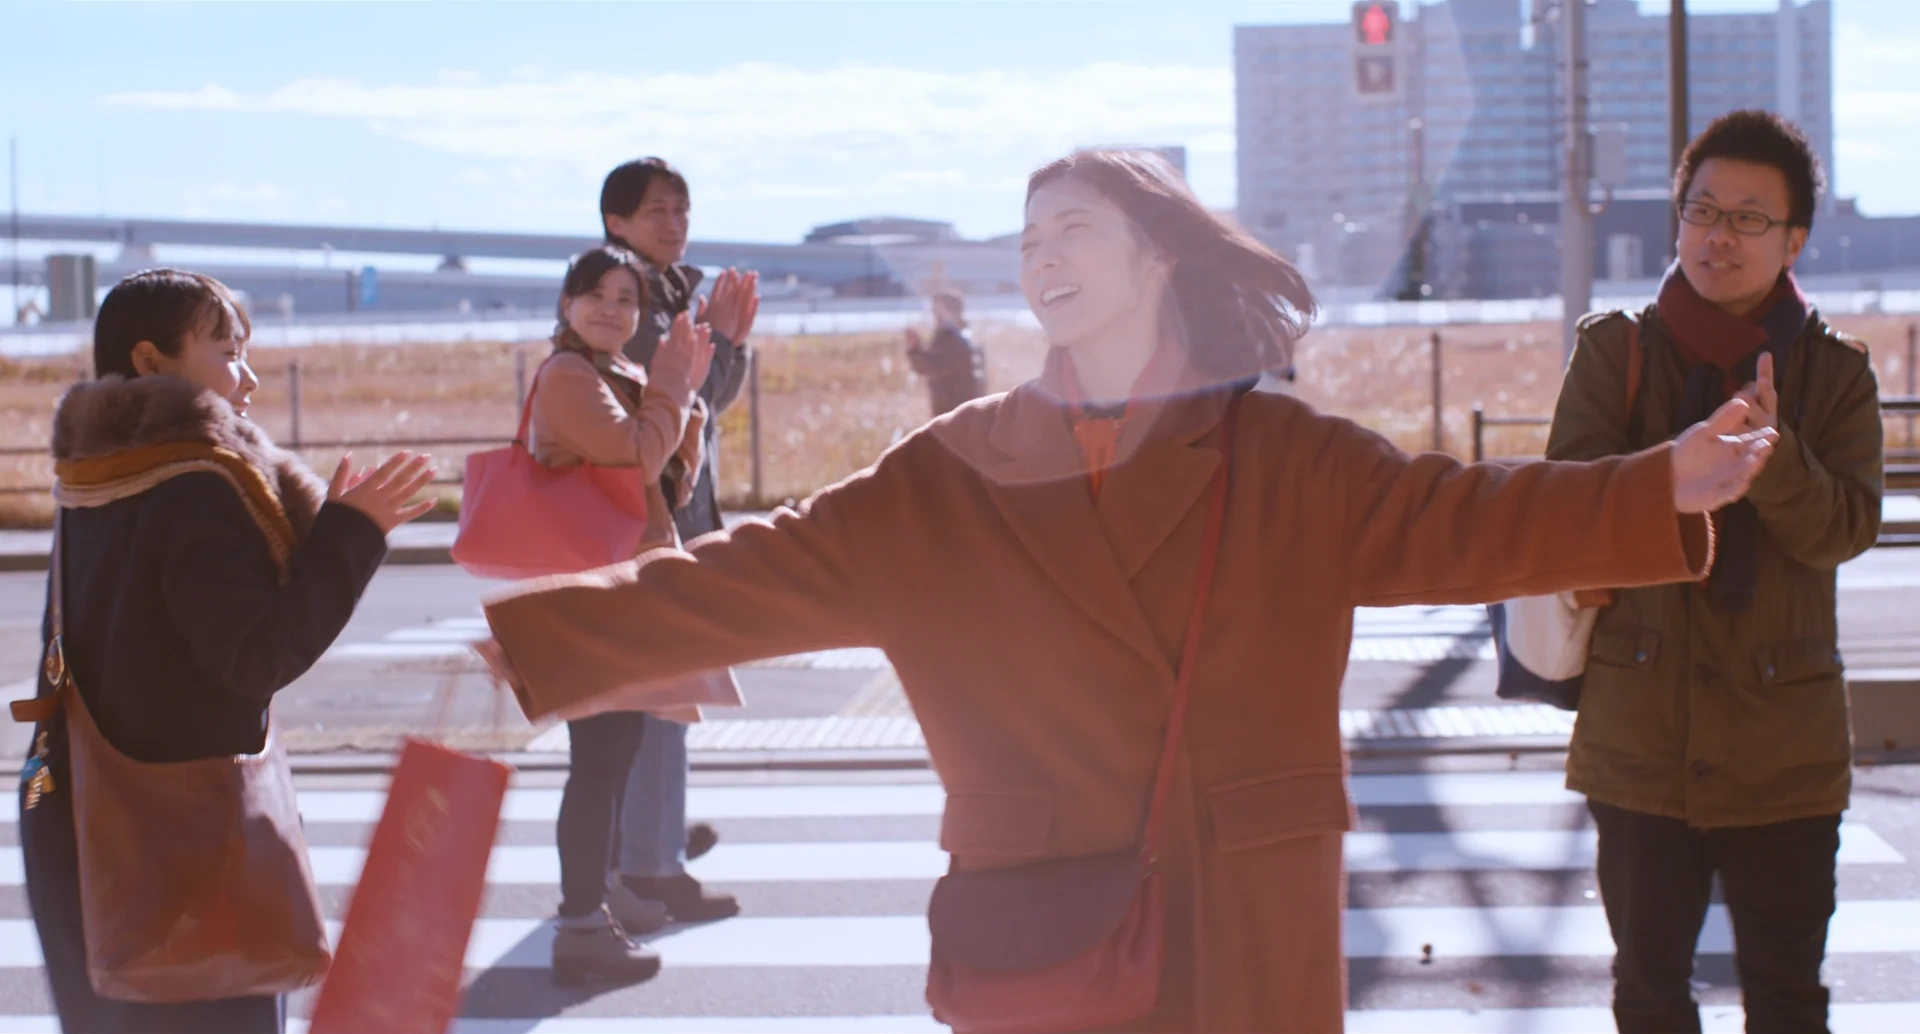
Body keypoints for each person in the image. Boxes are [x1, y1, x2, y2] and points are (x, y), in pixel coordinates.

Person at [477, 149, 1777, 1033]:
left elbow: (1468, 517)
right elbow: (749, 577)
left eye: (1076, 229)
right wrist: (533, 644)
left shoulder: (1279, 455)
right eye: (1029, 237)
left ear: (1158, 258)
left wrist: (1658, 483)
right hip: (1041, 930)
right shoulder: (952, 472)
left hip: (1240, 915)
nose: (1043, 254)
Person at [19, 269, 434, 1034]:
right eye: (228, 352)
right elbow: (257, 656)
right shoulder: (196, 487)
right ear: (151, 361)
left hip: (76, 811)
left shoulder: (92, 477)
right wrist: (350, 535)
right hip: (185, 837)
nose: (248, 378)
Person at [1548, 110, 1884, 1034]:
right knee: (1649, 995)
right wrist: (1677, 474)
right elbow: (1570, 510)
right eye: (1702, 211)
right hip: (1640, 735)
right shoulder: (1616, 351)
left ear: (1793, 240)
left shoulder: (1836, 374)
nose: (1717, 237)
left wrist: (1775, 459)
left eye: (1747, 218)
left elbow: (1846, 528)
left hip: (1786, 746)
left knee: (1787, 999)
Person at [526, 245, 714, 986]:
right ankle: (579, 925)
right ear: (566, 304)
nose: (612, 309)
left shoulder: (619, 374)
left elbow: (669, 479)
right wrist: (671, 387)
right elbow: (633, 459)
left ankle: (601, 897)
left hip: (622, 585)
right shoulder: (568, 376)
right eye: (597, 295)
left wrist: (685, 398)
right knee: (597, 762)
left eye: (626, 299)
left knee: (618, 754)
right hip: (590, 592)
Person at [599, 157, 757, 924]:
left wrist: (726, 341)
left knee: (660, 699)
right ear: (617, 222)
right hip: (649, 526)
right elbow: (680, 403)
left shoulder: (662, 292)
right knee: (664, 700)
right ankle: (650, 861)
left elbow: (702, 403)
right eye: (657, 211)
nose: (674, 223)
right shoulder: (630, 299)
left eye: (682, 210)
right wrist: (721, 340)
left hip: (665, 520)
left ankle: (647, 836)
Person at [905, 289, 988, 416]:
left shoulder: (955, 339)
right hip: (962, 412)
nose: (934, 315)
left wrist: (915, 349)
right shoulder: (963, 335)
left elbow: (936, 366)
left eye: (936, 310)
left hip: (956, 412)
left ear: (949, 311)